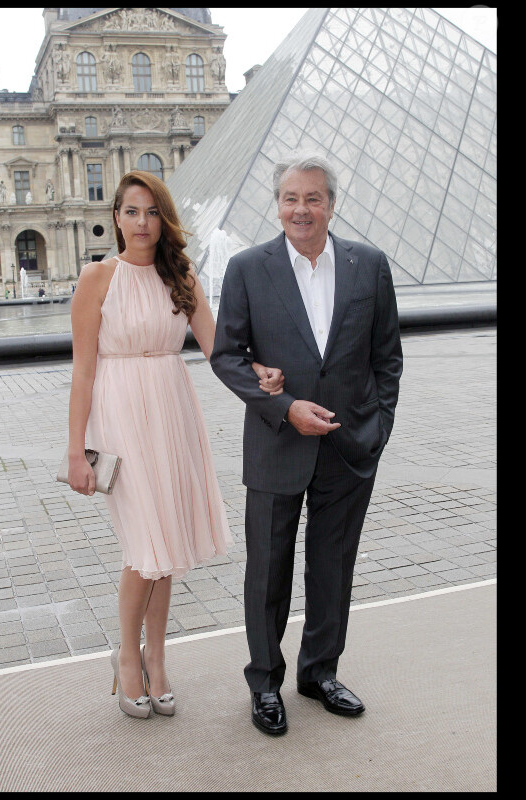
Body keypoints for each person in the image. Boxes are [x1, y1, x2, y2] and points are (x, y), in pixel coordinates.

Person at [67, 170, 283, 719]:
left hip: (171, 409)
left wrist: (256, 370)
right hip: (119, 415)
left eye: (152, 212)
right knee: (145, 546)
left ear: (164, 219)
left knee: (166, 547)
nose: (142, 223)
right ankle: (125, 659)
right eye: (132, 211)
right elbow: (83, 372)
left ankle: (156, 658)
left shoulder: (178, 272)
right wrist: (76, 451)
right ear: (116, 217)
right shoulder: (97, 278)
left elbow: (217, 347)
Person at [211, 151, 403, 735]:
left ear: (331, 204)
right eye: (291, 198)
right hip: (277, 444)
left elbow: (386, 357)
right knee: (266, 571)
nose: (301, 209)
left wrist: (378, 428)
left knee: (332, 568)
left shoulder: (368, 264)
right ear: (278, 205)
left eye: (313, 198)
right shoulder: (247, 268)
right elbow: (227, 356)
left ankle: (319, 673)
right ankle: (265, 683)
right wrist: (282, 406)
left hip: (348, 448)